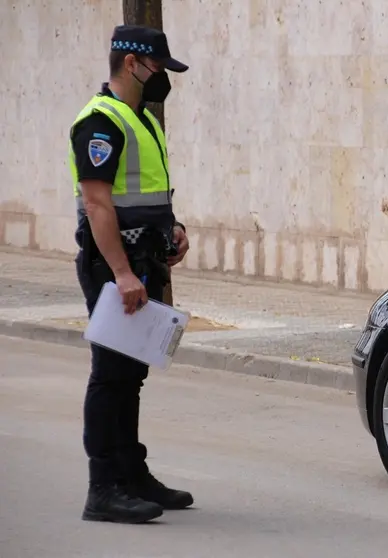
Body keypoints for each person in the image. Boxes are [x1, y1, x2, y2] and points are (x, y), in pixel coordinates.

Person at [69, 24, 193, 524]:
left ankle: (130, 472)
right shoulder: (100, 123)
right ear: (131, 63)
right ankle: (103, 487)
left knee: (131, 373)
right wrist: (121, 273)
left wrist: (175, 230)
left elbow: (149, 195)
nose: (163, 76)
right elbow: (97, 204)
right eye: (159, 66)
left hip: (144, 261)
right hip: (114, 265)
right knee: (111, 374)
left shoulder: (143, 119)